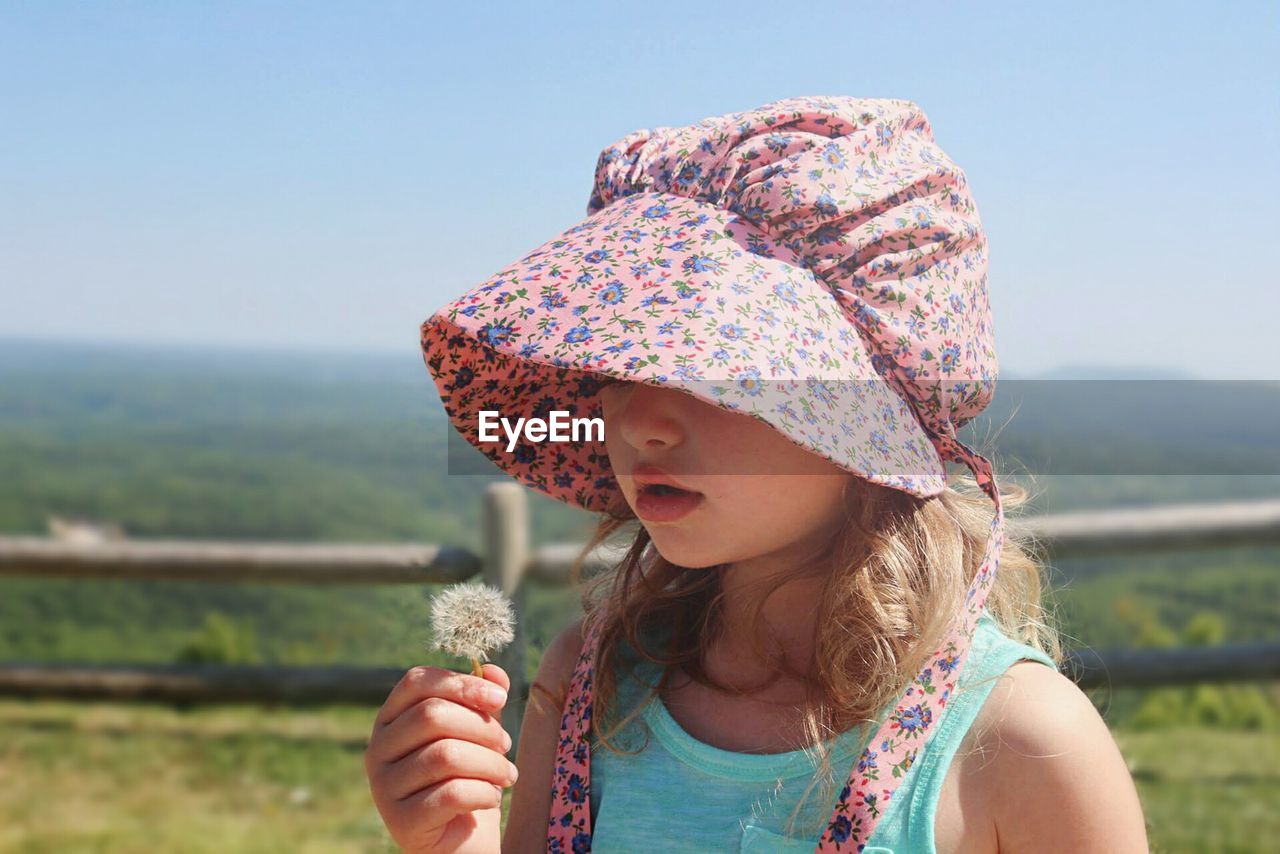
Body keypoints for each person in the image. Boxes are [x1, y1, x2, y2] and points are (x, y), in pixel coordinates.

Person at [366, 95, 1150, 852]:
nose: (640, 420)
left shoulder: (1017, 741)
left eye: (715, 372)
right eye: (615, 365)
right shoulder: (591, 684)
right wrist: (452, 841)